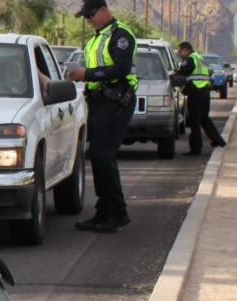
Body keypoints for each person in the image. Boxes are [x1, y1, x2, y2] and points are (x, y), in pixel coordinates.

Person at [65, 0, 136, 234]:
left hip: (115, 100)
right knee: (96, 156)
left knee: (103, 155)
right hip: (99, 100)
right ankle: (104, 211)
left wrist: (87, 74)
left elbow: (121, 69)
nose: (88, 20)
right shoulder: (97, 37)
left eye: (91, 15)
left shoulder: (120, 35)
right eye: (85, 17)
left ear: (104, 10)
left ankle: (117, 212)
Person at [175, 42, 228, 155]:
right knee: (204, 119)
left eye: (180, 51)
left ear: (186, 50)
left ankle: (196, 148)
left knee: (194, 121)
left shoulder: (189, 60)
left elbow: (181, 74)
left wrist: (173, 77)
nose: (179, 53)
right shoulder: (200, 58)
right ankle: (218, 140)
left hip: (195, 94)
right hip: (204, 92)